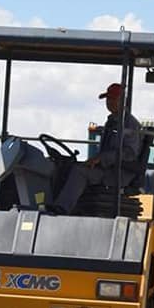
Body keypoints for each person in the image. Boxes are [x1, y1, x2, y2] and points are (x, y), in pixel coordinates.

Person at [52, 82, 141, 214]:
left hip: (117, 172)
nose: (109, 102)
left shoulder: (129, 124)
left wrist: (101, 159)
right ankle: (67, 207)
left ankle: (62, 209)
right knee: (67, 167)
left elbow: (129, 153)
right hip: (106, 167)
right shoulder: (112, 121)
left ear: (122, 100)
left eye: (112, 99)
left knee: (79, 171)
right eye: (108, 99)